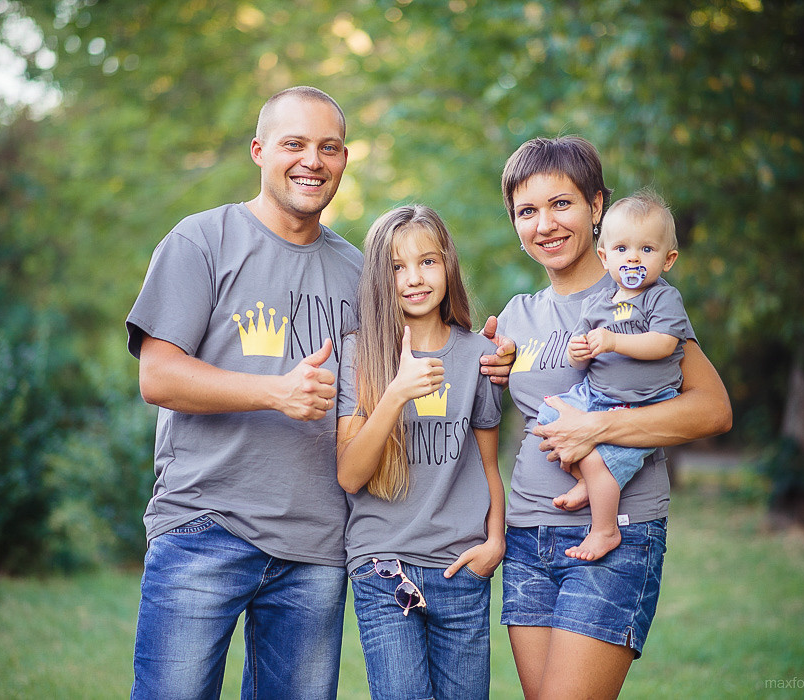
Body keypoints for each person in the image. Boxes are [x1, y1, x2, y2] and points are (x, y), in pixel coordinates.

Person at [124, 86, 362, 699]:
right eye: (294, 144)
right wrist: (275, 393)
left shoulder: (359, 272)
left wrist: (488, 355)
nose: (313, 160)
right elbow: (159, 376)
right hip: (205, 526)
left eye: (328, 147)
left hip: (316, 546)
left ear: (343, 159)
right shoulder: (201, 240)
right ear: (259, 151)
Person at [493, 136, 732, 699]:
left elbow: (713, 408)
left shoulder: (642, 295)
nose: (545, 224)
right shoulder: (517, 315)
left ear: (597, 207)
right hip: (529, 537)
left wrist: (598, 427)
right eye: (527, 211)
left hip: (617, 536)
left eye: (562, 204)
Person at [335, 205, 505, 700]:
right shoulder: (359, 353)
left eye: (427, 262)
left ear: (448, 266)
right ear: (378, 277)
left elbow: (489, 466)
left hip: (462, 565)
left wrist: (494, 542)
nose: (413, 278)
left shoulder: (478, 355)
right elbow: (350, 475)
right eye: (396, 266)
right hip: (383, 568)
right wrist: (395, 392)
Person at [537, 190, 689, 562]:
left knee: (597, 457)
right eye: (621, 249)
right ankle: (588, 483)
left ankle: (605, 529)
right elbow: (582, 358)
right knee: (550, 420)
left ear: (667, 259)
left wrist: (613, 341)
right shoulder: (598, 304)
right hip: (597, 393)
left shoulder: (661, 298)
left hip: (640, 401)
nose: (633, 258)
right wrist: (579, 351)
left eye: (647, 250)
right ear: (605, 257)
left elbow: (663, 345)